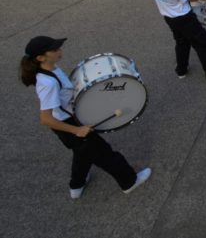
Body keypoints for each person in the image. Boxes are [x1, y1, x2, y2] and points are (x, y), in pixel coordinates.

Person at [19, 35, 152, 199]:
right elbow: (45, 119)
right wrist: (76, 130)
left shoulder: (52, 68)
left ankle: (77, 185)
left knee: (83, 153)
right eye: (54, 49)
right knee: (106, 155)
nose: (60, 50)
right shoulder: (48, 83)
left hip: (71, 120)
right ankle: (129, 182)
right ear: (41, 57)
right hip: (68, 125)